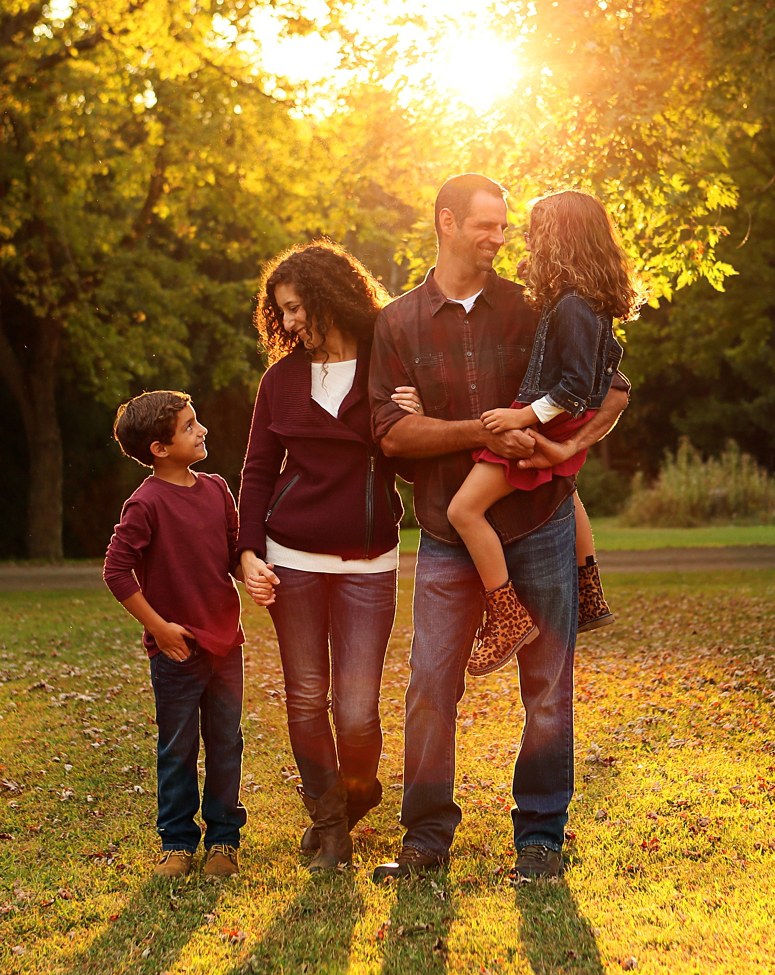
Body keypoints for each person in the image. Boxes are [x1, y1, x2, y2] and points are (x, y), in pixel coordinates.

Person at [368, 173, 630, 881]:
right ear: (446, 222)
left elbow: (610, 385)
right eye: (486, 225)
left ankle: (540, 840)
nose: (499, 238)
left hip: (538, 520)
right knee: (428, 684)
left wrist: (566, 446)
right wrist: (483, 432)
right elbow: (392, 434)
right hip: (451, 534)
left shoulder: (531, 305)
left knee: (547, 687)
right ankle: (425, 838)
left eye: (505, 225)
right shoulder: (396, 322)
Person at [238, 240, 417, 872]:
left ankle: (357, 791)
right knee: (307, 697)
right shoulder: (281, 380)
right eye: (279, 313)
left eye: (294, 309)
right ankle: (330, 823)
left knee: (357, 706)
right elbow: (258, 471)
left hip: (370, 559)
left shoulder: (384, 365)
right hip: (292, 557)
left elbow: (414, 460)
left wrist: (413, 419)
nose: (286, 325)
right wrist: (247, 552)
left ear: (328, 298)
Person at [447, 190, 641, 677]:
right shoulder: (585, 302)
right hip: (558, 422)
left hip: (545, 415)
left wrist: (521, 417)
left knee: (463, 510)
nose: (526, 238)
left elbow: (576, 387)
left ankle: (507, 615)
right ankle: (588, 591)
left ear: (560, 237)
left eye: (535, 229)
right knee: (566, 489)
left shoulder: (574, 306)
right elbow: (609, 379)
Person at [103, 391, 246, 879]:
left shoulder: (217, 490)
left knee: (226, 742)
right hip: (177, 650)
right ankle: (178, 844)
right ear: (160, 449)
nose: (201, 429)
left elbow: (231, 553)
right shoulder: (145, 503)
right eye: (189, 426)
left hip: (226, 644)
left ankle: (224, 841)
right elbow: (117, 571)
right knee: (178, 748)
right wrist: (158, 627)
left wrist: (255, 570)